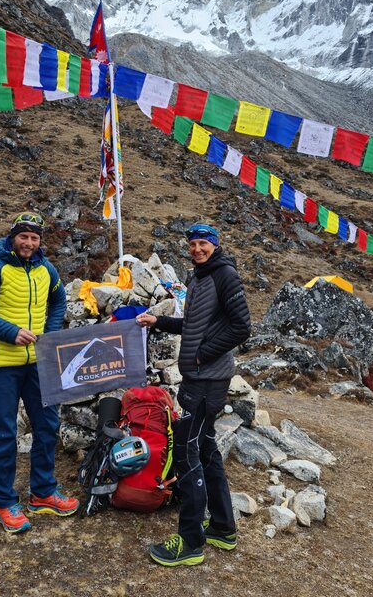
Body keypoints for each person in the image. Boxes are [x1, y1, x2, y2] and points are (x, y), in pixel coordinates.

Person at [137, 223, 251, 566]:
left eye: (203, 243)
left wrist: (203, 355)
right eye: (193, 244)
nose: (197, 248)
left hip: (206, 380)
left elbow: (241, 326)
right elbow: (194, 325)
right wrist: (158, 322)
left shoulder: (224, 275)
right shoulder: (198, 277)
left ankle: (189, 542)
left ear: (215, 245)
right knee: (205, 449)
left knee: (187, 454)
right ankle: (222, 527)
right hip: (198, 377)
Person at [0, 211, 79, 533]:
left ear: (40, 241)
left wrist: (50, 330)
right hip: (1, 365)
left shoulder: (47, 270)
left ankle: (43, 493)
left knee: (47, 426)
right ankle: (4, 502)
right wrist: (11, 332)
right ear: (13, 237)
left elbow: (59, 299)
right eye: (23, 236)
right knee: (5, 433)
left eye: (34, 238)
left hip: (38, 362)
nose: (28, 243)